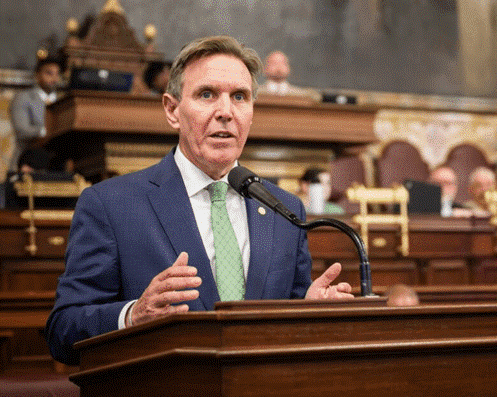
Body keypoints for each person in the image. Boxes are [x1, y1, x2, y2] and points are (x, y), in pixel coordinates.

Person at [45, 36, 354, 365]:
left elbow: (287, 313)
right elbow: (63, 330)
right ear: (172, 110)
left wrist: (309, 310)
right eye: (207, 94)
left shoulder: (284, 208)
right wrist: (133, 315)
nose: (226, 112)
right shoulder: (111, 204)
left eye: (239, 97)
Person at [9, 57, 62, 171]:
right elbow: (22, 130)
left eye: (57, 74)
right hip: (28, 159)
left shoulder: (63, 100)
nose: (54, 78)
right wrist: (46, 131)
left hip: (56, 161)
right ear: (38, 75)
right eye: (49, 73)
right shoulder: (23, 98)